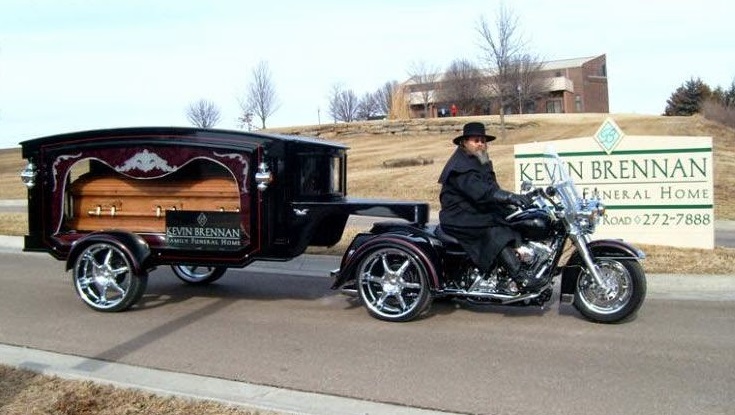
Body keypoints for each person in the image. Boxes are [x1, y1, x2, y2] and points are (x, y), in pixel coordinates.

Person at [437, 122, 540, 291]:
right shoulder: (460, 167)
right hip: (458, 217)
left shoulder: (481, 161)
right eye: (475, 140)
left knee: (516, 220)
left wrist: (515, 202)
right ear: (464, 143)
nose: (480, 144)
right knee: (496, 231)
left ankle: (524, 262)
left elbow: (493, 190)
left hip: (475, 211)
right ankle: (520, 277)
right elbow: (481, 192)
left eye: (483, 141)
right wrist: (510, 197)